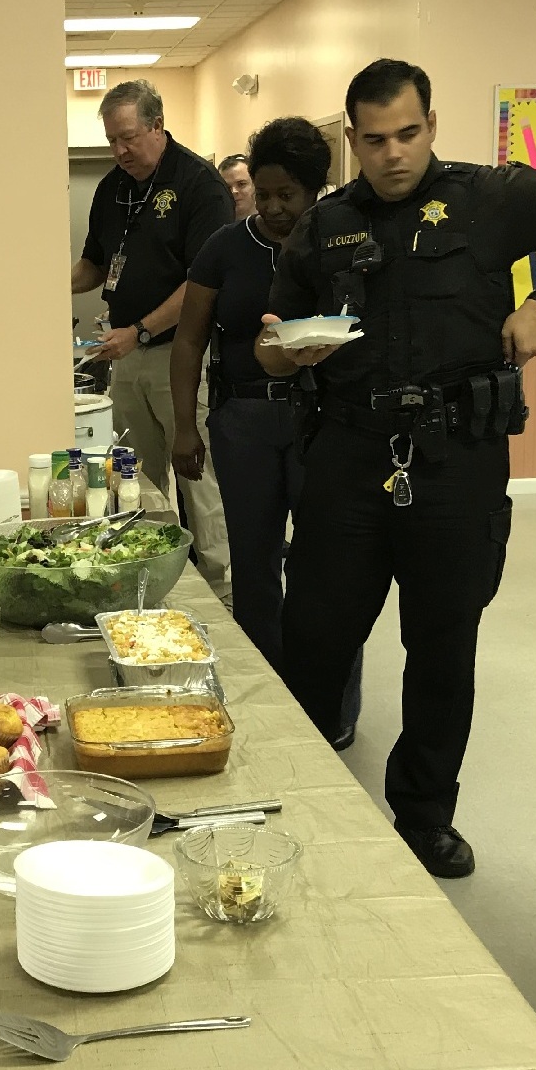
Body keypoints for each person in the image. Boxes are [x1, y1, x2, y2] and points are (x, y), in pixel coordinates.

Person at [258, 58, 536, 877]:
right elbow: (268, 343)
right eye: (375, 139)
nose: (393, 154)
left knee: (442, 648)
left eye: (408, 134)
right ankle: (303, 806)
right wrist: (283, 353)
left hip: (456, 458)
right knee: (314, 642)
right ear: (351, 139)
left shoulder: (492, 197)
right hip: (348, 456)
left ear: (431, 124)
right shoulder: (322, 226)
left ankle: (422, 817)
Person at [170, 117, 363, 739]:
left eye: (290, 195)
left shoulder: (341, 242)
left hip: (323, 421)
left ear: (316, 190)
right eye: (263, 192)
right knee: (253, 568)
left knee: (326, 568)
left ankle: (330, 708)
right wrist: (185, 427)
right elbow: (189, 341)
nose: (275, 207)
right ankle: (262, 699)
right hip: (244, 419)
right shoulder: (225, 247)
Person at [71, 79, 231, 588]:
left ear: (158, 126)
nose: (120, 151)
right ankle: (156, 579)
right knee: (136, 479)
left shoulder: (198, 185)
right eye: (111, 141)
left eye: (129, 138)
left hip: (181, 356)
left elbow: (203, 282)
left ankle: (223, 587)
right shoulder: (111, 188)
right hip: (127, 355)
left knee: (199, 479)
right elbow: (95, 266)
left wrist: (139, 331)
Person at [218, 153, 255, 219]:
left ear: (255, 184)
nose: (234, 192)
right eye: (227, 187)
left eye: (241, 184)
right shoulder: (214, 225)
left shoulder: (271, 223)